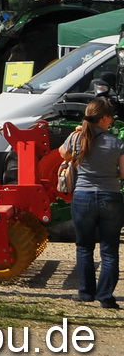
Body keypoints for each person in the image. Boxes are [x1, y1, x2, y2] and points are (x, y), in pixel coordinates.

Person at [61, 96, 123, 307]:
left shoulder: (77, 138)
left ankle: (86, 293)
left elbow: (63, 154)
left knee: (84, 247)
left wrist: (76, 133)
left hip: (83, 197)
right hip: (110, 197)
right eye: (111, 117)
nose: (112, 120)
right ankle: (106, 298)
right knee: (109, 249)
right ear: (104, 118)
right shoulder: (116, 143)